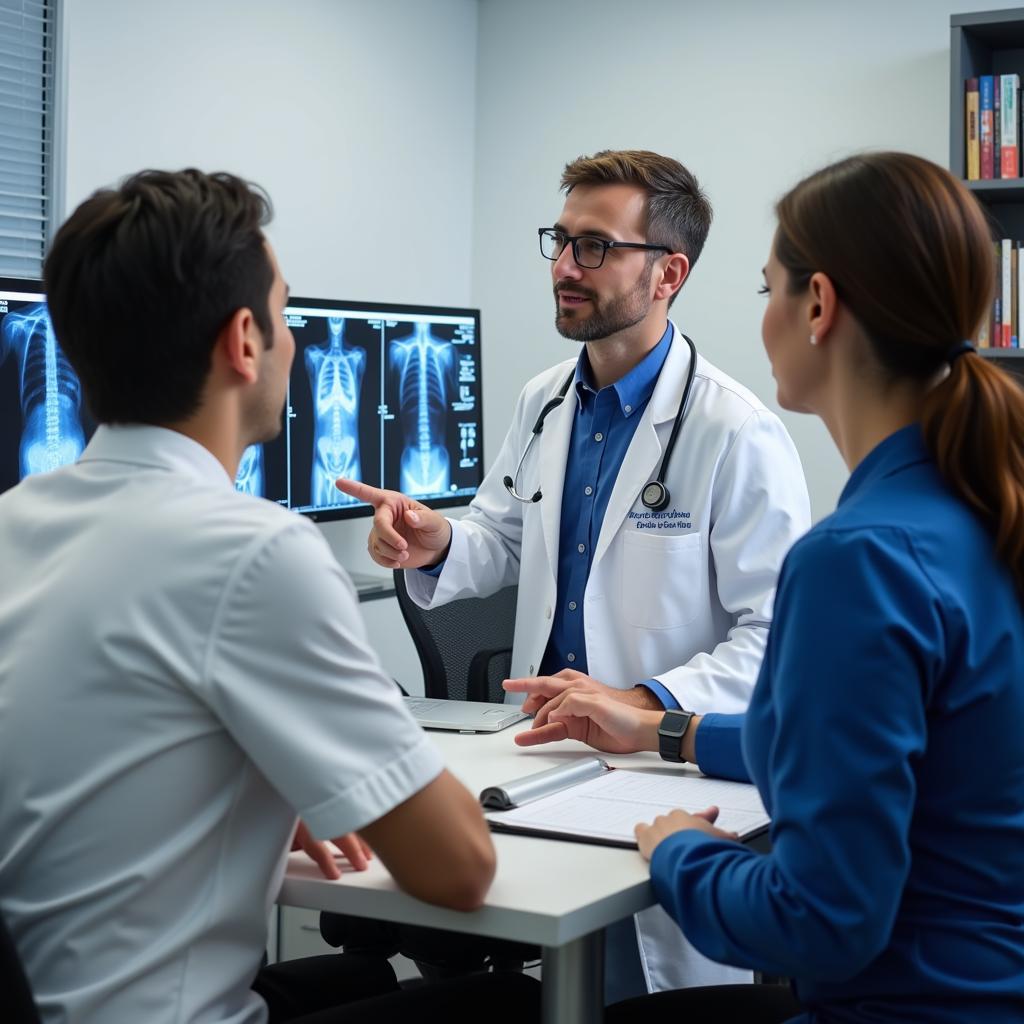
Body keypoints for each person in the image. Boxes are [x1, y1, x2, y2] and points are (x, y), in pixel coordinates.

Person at [0, 169, 538, 1023]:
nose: (293, 342)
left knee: (358, 976)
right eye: (287, 317)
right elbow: (459, 870)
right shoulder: (251, 553)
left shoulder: (15, 522)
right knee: (505, 1003)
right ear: (245, 341)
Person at [514, 151, 1024, 1023]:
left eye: (766, 291)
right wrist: (663, 730)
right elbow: (871, 747)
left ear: (817, 306)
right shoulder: (978, 507)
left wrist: (682, 853)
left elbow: (821, 922)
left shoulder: (859, 558)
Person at [338, 149, 811, 997]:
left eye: (594, 247)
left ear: (668, 272)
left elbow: (776, 635)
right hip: (541, 758)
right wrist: (434, 540)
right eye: (561, 240)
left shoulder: (737, 433)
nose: (564, 266)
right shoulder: (545, 399)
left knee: (632, 988)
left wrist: (645, 702)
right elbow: (505, 536)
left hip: (666, 767)